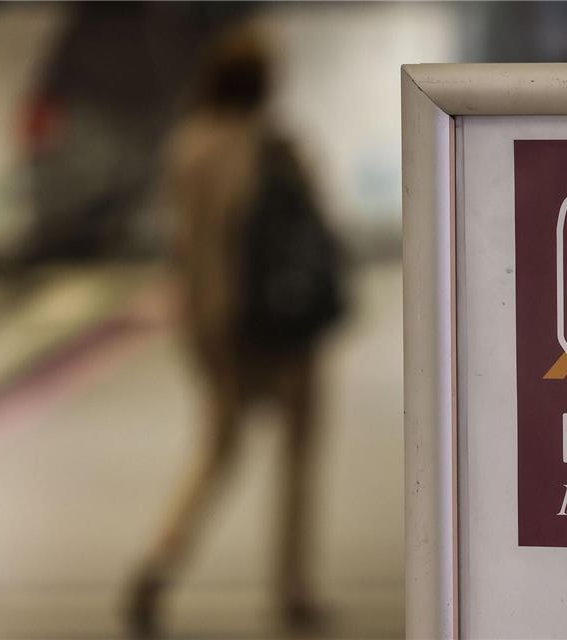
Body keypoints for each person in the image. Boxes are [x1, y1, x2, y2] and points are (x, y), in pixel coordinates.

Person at [126, 25, 342, 638]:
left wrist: (197, 324)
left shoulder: (185, 145)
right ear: (265, 83)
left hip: (214, 328)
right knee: (299, 452)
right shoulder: (275, 146)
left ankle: (161, 560)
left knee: (217, 450)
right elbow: (317, 230)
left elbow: (183, 248)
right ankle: (292, 586)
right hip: (286, 328)